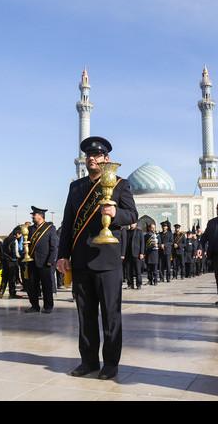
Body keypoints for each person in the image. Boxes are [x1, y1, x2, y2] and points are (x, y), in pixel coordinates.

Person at [56, 136, 137, 380]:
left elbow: (133, 214)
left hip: (107, 261)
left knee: (110, 315)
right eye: (89, 155)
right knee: (86, 315)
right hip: (80, 261)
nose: (92, 158)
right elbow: (68, 222)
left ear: (106, 159)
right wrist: (62, 255)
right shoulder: (76, 187)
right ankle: (88, 361)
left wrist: (115, 213)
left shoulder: (120, 185)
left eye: (97, 155)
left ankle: (110, 363)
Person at [24, 206, 59, 313]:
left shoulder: (50, 228)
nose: (32, 216)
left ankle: (48, 306)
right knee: (32, 286)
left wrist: (50, 261)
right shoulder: (30, 229)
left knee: (46, 286)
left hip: (45, 262)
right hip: (32, 262)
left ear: (40, 216)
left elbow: (54, 246)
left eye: (34, 215)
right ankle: (35, 306)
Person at [0, 227, 24, 299]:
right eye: (20, 234)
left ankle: (1, 292)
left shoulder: (6, 239)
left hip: (5, 261)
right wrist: (21, 256)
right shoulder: (14, 240)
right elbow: (15, 253)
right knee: (12, 278)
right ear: (18, 234)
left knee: (4, 278)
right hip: (12, 261)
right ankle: (12, 293)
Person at [120, 222, 145, 289]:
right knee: (128, 271)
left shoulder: (139, 232)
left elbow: (142, 243)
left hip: (136, 254)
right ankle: (130, 284)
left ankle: (138, 284)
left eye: (133, 223)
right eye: (130, 223)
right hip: (128, 254)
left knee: (137, 271)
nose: (131, 224)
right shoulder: (127, 232)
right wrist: (123, 254)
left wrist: (142, 253)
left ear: (136, 224)